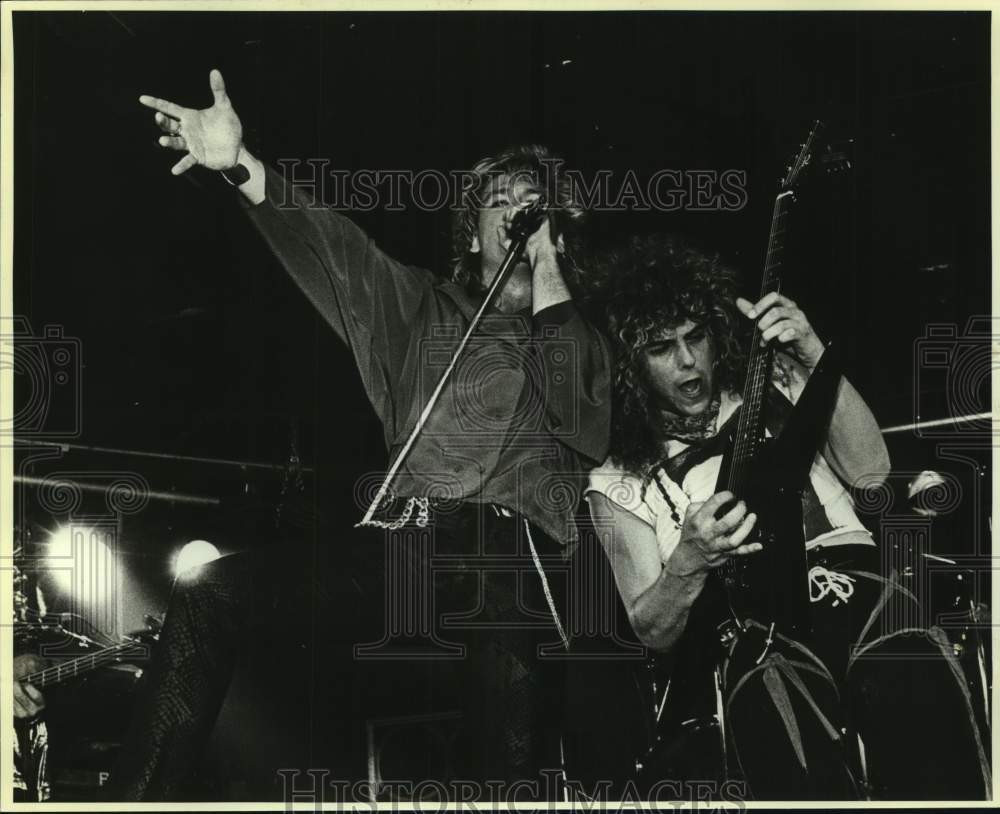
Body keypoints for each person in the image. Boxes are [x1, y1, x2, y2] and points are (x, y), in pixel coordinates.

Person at [110, 70, 611, 801]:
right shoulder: (419, 306)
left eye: (534, 207)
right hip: (404, 547)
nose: (516, 214)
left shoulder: (572, 331)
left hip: (507, 561)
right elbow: (336, 250)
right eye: (499, 204)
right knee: (211, 593)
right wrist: (244, 167)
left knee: (508, 727)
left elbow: (581, 417)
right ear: (471, 232)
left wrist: (544, 263)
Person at [584, 234, 989, 800]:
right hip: (757, 623)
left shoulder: (773, 380)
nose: (686, 360)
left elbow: (871, 471)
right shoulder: (618, 474)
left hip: (858, 577)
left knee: (913, 670)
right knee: (780, 718)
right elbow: (651, 627)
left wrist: (812, 352)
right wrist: (689, 562)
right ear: (629, 365)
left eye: (696, 337)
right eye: (660, 347)